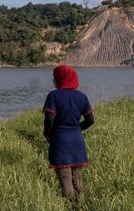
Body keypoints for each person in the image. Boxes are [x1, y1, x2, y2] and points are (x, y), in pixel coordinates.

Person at [42, 64, 95, 199]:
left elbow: (49, 119)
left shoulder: (53, 96)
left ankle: (69, 205)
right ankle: (82, 205)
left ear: (60, 79)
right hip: (77, 141)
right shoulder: (82, 97)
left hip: (60, 141)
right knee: (78, 178)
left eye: (54, 77)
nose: (53, 80)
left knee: (65, 177)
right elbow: (90, 120)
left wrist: (48, 134)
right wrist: (77, 128)